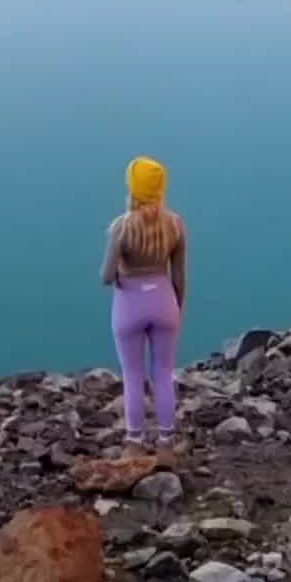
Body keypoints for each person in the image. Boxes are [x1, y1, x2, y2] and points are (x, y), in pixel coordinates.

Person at [102, 156, 187, 449]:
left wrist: (121, 274)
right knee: (163, 373)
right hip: (165, 302)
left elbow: (105, 275)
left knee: (133, 376)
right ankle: (166, 441)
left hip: (130, 305)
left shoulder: (121, 228)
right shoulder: (175, 225)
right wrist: (179, 307)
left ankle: (134, 440)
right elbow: (179, 276)